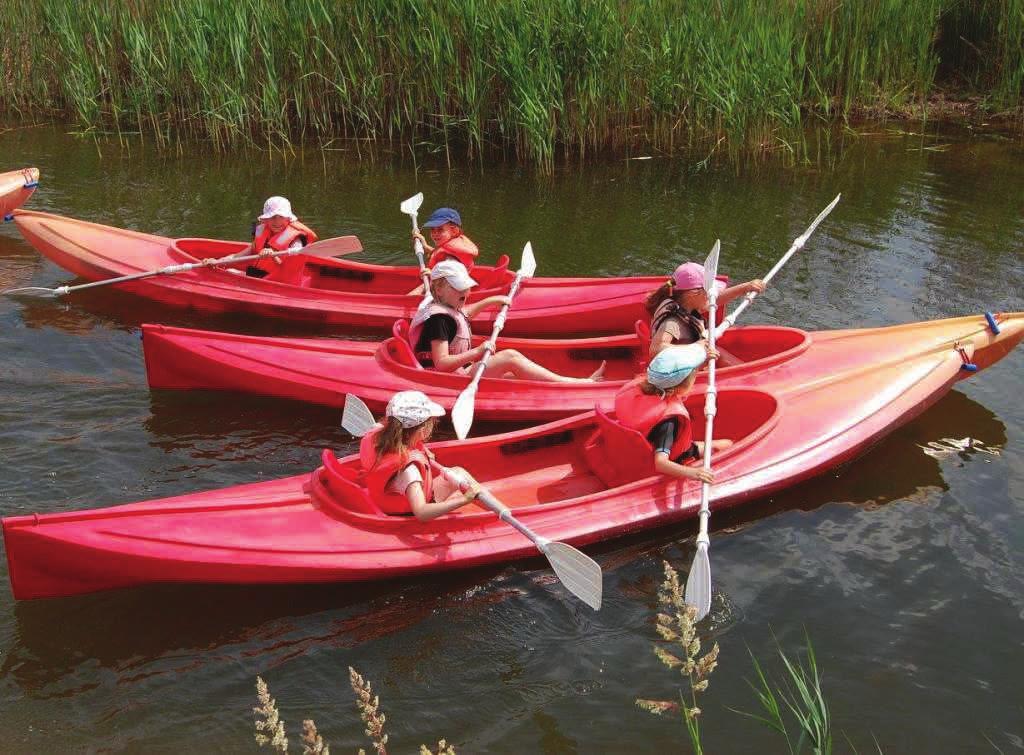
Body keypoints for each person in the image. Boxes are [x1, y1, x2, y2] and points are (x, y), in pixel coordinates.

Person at [408, 260, 605, 382]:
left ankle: (564, 385)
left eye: (466, 287)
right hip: (443, 379)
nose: (465, 292)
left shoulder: (443, 306)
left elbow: (462, 316)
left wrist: (490, 301)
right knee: (510, 357)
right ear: (439, 289)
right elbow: (442, 364)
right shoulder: (438, 321)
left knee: (514, 376)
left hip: (455, 373)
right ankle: (576, 384)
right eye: (458, 288)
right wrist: (477, 351)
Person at [613, 343, 733, 483]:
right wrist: (694, 473)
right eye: (694, 375)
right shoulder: (668, 422)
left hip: (646, 447)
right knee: (729, 445)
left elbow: (677, 377)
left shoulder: (646, 387)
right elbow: (661, 463)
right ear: (676, 389)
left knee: (723, 445)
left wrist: (704, 359)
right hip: (678, 458)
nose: (696, 377)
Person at [359, 391, 480, 520]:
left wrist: (422, 448)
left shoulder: (380, 435)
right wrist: (464, 499)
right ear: (423, 431)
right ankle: (496, 510)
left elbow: (395, 432)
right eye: (433, 422)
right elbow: (421, 512)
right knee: (459, 472)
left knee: (456, 472)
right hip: (408, 512)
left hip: (384, 501)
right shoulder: (410, 471)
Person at [646, 261, 765, 358]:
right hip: (678, 369)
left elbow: (715, 300)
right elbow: (655, 349)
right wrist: (696, 347)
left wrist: (746, 287)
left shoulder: (686, 303)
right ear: (693, 294)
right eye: (709, 293)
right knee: (720, 354)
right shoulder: (672, 323)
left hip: (690, 357)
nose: (711, 296)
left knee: (719, 352)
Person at [204, 196, 318, 279]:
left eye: (281, 217)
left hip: (279, 283)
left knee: (229, 273)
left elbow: (288, 270)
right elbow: (238, 256)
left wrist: (273, 256)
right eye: (272, 217)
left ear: (288, 218)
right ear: (266, 219)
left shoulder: (297, 241)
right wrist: (217, 262)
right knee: (229, 271)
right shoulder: (262, 232)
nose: (277, 222)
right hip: (260, 276)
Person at [408, 207, 479, 295]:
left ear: (454, 231)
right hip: (445, 283)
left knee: (421, 288)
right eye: (432, 230)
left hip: (451, 291)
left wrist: (433, 273)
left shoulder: (451, 257)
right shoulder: (451, 245)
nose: (435, 233)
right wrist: (425, 245)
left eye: (440, 229)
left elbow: (453, 272)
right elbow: (440, 253)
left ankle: (403, 303)